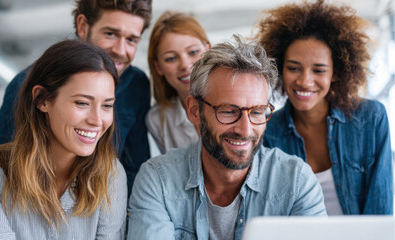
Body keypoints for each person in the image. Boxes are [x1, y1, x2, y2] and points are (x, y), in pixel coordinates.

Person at [128, 35, 327, 240]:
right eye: (229, 111)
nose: (245, 129)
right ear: (195, 110)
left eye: (257, 111)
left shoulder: (297, 181)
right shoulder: (157, 180)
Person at [0, 40, 127, 239]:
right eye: (82, 103)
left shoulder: (111, 175)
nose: (97, 121)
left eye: (107, 106)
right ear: (42, 100)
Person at [0, 0, 152, 195]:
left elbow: (136, 167)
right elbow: (4, 170)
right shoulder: (24, 85)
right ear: (83, 26)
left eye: (131, 40)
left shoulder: (136, 84)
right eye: (110, 34)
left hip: (105, 206)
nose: (120, 49)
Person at [257, 0, 393, 215]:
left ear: (336, 73)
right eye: (293, 68)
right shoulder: (267, 131)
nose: (305, 81)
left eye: (319, 70)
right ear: (279, 68)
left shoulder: (370, 118)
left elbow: (380, 211)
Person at [146, 11, 210, 154]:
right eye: (170, 58)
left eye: (193, 52)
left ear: (208, 50)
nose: (185, 65)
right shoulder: (158, 120)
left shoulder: (240, 98)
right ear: (158, 67)